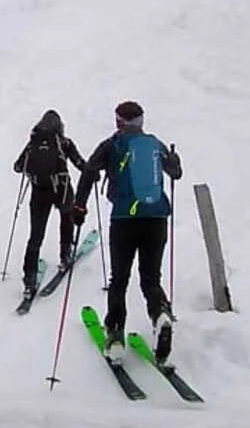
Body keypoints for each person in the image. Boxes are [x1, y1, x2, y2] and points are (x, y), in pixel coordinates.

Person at [70, 101, 182, 364]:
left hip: (124, 219)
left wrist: (79, 205)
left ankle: (116, 335)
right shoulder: (155, 144)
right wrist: (174, 160)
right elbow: (176, 172)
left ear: (119, 121)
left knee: (119, 279)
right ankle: (160, 314)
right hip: (156, 218)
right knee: (150, 279)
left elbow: (88, 172)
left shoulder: (111, 145)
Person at [12, 109, 87, 301]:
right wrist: (92, 172)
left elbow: (18, 167)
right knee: (66, 218)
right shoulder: (64, 143)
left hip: (39, 193)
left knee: (35, 236)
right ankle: (65, 254)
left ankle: (29, 280)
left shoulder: (33, 143)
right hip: (61, 190)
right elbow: (80, 164)